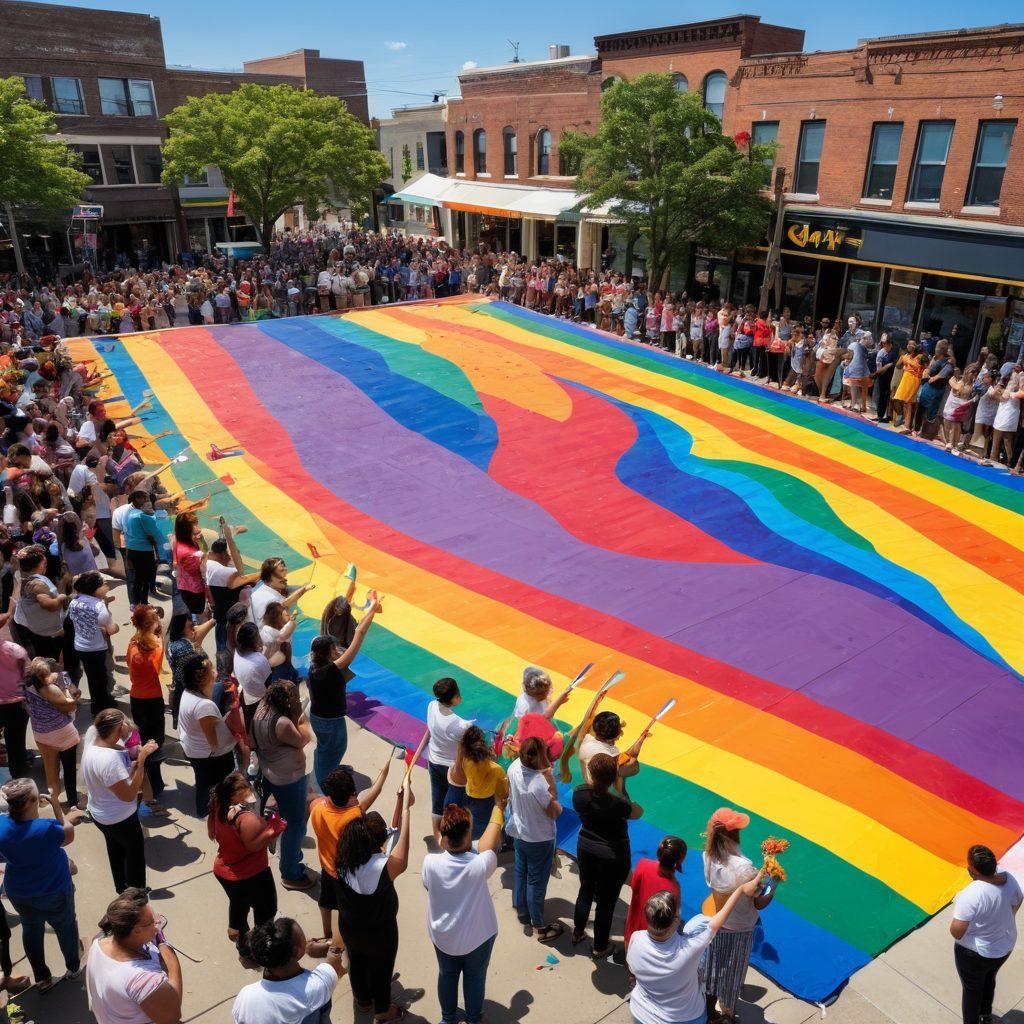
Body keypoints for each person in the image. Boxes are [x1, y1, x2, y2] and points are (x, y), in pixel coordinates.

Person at [628, 877, 766, 1024]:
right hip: (683, 1019)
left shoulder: (636, 938)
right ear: (675, 921)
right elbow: (716, 923)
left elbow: (633, 969)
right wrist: (741, 890)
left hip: (639, 1013)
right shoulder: (690, 948)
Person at [335, 775, 414, 1021]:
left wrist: (399, 803)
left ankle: (363, 1000)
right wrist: (408, 811)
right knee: (381, 971)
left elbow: (389, 836)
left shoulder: (345, 857)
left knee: (356, 963)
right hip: (379, 933)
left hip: (350, 927)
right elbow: (401, 848)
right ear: (376, 844)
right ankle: (383, 1010)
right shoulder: (383, 868)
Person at [423, 802, 503, 1024]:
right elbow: (489, 843)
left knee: (446, 975)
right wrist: (499, 807)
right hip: (478, 937)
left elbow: (428, 885)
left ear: (444, 836)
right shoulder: (481, 863)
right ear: (468, 836)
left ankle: (448, 1019)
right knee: (475, 977)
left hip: (443, 937)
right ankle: (473, 1019)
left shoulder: (430, 862)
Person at [0, 778, 81, 990]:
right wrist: (55, 804)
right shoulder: (46, 828)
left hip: (19, 892)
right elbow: (68, 833)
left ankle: (42, 977)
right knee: (66, 926)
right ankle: (73, 968)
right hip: (53, 890)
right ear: (32, 802)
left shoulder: (1, 824)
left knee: (31, 928)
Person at [699, 807, 776, 1023]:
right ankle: (726, 1013)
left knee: (713, 971)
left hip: (716, 922)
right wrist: (773, 882)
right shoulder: (745, 868)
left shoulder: (708, 856)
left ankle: (709, 1013)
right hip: (739, 929)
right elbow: (760, 902)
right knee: (731, 975)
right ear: (735, 835)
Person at [309, 757, 391, 953]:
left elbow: (315, 802)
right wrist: (385, 769)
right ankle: (339, 943)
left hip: (325, 865)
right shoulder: (353, 816)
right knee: (344, 910)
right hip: (343, 872)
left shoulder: (317, 807)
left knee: (325, 901)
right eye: (354, 793)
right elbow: (375, 791)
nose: (356, 796)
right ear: (350, 796)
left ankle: (326, 934)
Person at [307, 590, 380, 790]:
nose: (336, 650)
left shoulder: (315, 666)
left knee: (326, 749)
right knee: (334, 749)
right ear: (328, 652)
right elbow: (359, 635)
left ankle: (328, 769)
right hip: (330, 721)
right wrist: (372, 608)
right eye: (333, 649)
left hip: (319, 716)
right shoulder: (330, 669)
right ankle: (324, 784)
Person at [572, 752, 643, 958]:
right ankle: (600, 946)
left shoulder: (580, 794)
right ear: (613, 777)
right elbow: (638, 812)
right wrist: (620, 786)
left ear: (591, 774)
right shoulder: (618, 804)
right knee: (606, 901)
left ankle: (577, 932)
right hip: (613, 855)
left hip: (586, 847)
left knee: (585, 889)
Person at [81, 708, 157, 893]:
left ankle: (121, 888)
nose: (128, 726)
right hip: (120, 818)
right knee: (134, 856)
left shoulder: (94, 741)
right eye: (124, 724)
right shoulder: (109, 760)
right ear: (118, 729)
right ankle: (136, 898)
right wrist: (142, 759)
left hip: (100, 814)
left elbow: (113, 779)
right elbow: (130, 794)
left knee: (115, 850)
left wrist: (130, 766)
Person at [251, 681, 316, 890]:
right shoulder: (282, 722)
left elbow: (252, 741)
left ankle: (286, 847)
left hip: (270, 771)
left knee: (289, 818)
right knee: (295, 824)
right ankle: (290, 872)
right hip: (288, 778)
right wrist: (302, 717)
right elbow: (303, 738)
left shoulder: (261, 708)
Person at [87, 887, 183, 1024]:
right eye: (152, 922)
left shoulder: (99, 943)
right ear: (136, 931)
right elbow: (173, 1015)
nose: (157, 926)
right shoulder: (141, 979)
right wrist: (165, 947)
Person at [950, 844, 1022, 1024]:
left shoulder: (972, 894)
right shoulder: (1009, 879)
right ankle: (985, 1015)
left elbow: (957, 932)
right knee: (989, 979)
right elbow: (1018, 898)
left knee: (972, 991)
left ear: (973, 871)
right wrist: (1004, 918)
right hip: (1004, 947)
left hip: (976, 953)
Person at [207, 771, 278, 952]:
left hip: (226, 870)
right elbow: (253, 846)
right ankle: (260, 947)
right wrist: (273, 831)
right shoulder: (246, 818)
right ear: (235, 795)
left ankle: (240, 938)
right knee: (266, 910)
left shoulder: (218, 804)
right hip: (250, 873)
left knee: (240, 902)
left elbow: (213, 831)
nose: (248, 789)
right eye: (244, 788)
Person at [505, 735, 564, 941]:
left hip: (520, 832)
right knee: (536, 882)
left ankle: (522, 912)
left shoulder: (513, 767)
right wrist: (550, 779)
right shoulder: (539, 783)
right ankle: (538, 923)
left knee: (521, 872)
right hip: (539, 838)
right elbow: (555, 811)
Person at [232, 917, 344, 1024]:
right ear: (297, 951)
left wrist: (304, 948)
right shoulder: (314, 987)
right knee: (322, 1003)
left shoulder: (245, 996)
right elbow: (337, 954)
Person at [178, 651, 237, 816]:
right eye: (211, 670)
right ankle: (209, 812)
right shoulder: (205, 706)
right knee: (212, 784)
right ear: (202, 678)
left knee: (202, 781)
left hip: (192, 747)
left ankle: (205, 809)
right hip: (207, 754)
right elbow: (212, 742)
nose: (215, 673)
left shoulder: (187, 692)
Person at [22, 656, 81, 820]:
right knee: (69, 769)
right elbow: (69, 705)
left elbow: (27, 706)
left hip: (41, 735)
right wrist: (68, 692)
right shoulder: (50, 690)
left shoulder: (27, 686)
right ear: (45, 674)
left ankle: (53, 801)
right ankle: (72, 803)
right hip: (62, 734)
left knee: (51, 772)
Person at [125, 604, 167, 807]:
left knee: (144, 739)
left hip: (137, 698)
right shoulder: (157, 646)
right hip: (152, 700)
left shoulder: (132, 644)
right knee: (156, 742)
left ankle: (149, 780)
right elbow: (160, 668)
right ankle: (154, 783)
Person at [426, 676, 473, 844]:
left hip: (434, 760)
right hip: (451, 769)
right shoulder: (459, 724)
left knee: (437, 799)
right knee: (454, 804)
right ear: (454, 698)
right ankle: (454, 837)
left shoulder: (432, 706)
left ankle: (438, 836)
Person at [67, 569, 118, 714]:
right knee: (101, 678)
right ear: (95, 589)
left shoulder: (74, 602)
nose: (105, 587)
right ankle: (101, 707)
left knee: (92, 677)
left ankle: (98, 703)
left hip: (81, 647)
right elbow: (111, 629)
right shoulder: (99, 606)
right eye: (102, 585)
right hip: (97, 648)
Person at [624, 835, 687, 950]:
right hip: (653, 939)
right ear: (679, 861)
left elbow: (634, 887)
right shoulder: (674, 888)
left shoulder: (642, 864)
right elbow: (672, 918)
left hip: (633, 929)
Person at [205, 520, 258, 652]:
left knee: (222, 651)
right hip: (229, 620)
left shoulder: (209, 565)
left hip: (220, 616)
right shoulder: (227, 573)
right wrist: (264, 572)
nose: (231, 557)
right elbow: (241, 575)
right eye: (229, 554)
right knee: (229, 651)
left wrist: (229, 534)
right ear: (223, 555)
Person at [12, 543, 67, 659]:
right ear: (41, 565)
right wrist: (62, 598)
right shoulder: (37, 584)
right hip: (46, 635)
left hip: (33, 628)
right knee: (50, 662)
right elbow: (49, 605)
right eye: (45, 563)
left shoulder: (22, 577)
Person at [458, 724, 508, 841]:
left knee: (471, 828)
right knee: (485, 830)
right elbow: (503, 792)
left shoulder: (465, 761)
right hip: (487, 803)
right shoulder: (496, 769)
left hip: (468, 797)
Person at [122, 489, 165, 608]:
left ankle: (136, 603)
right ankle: (144, 603)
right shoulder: (143, 516)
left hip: (132, 550)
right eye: (144, 498)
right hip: (143, 552)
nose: (147, 501)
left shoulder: (129, 513)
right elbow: (155, 535)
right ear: (137, 499)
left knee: (137, 578)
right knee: (145, 579)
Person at [235, 621, 273, 733]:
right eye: (257, 638)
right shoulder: (259, 660)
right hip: (259, 698)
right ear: (253, 643)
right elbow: (268, 683)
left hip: (247, 693)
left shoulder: (237, 652)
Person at [0, 638, 30, 779]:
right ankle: (19, 779)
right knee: (16, 743)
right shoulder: (16, 650)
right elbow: (28, 674)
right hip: (16, 704)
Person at [171, 510, 206, 617]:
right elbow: (199, 572)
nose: (198, 527)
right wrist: (202, 550)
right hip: (193, 590)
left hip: (183, 583)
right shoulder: (189, 553)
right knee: (198, 611)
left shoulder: (179, 539)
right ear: (187, 530)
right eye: (194, 524)